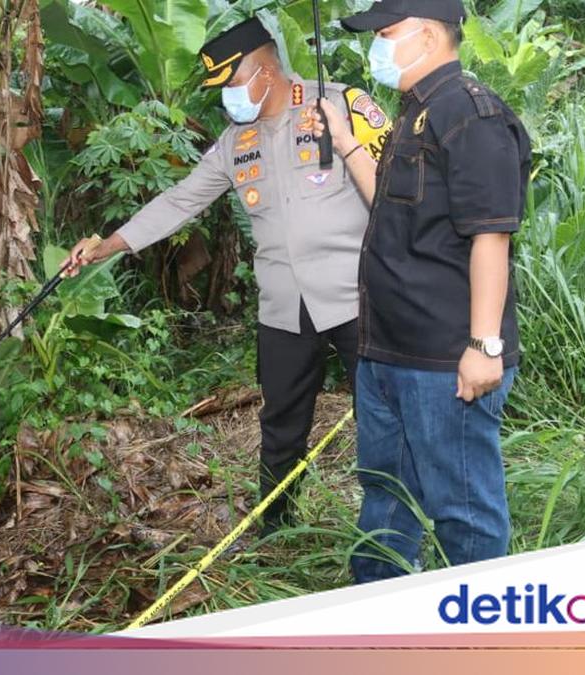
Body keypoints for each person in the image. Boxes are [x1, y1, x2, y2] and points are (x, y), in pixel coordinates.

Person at [63, 17, 392, 537]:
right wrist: (107, 245)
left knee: (381, 418)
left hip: (359, 298)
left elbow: (395, 187)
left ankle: (391, 532)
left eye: (232, 85)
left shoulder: (342, 104)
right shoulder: (235, 143)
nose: (227, 100)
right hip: (285, 307)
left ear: (264, 71)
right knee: (281, 424)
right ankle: (275, 526)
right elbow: (179, 200)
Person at [310, 0, 533, 581]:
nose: (377, 46)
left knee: (462, 507)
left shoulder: (472, 116)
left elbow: (491, 235)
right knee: (385, 493)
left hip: (444, 358)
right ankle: (381, 605)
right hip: (387, 350)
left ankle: (483, 631)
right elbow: (389, 202)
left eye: (387, 34)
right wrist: (345, 139)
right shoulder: (416, 112)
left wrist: (483, 345)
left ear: (429, 36)